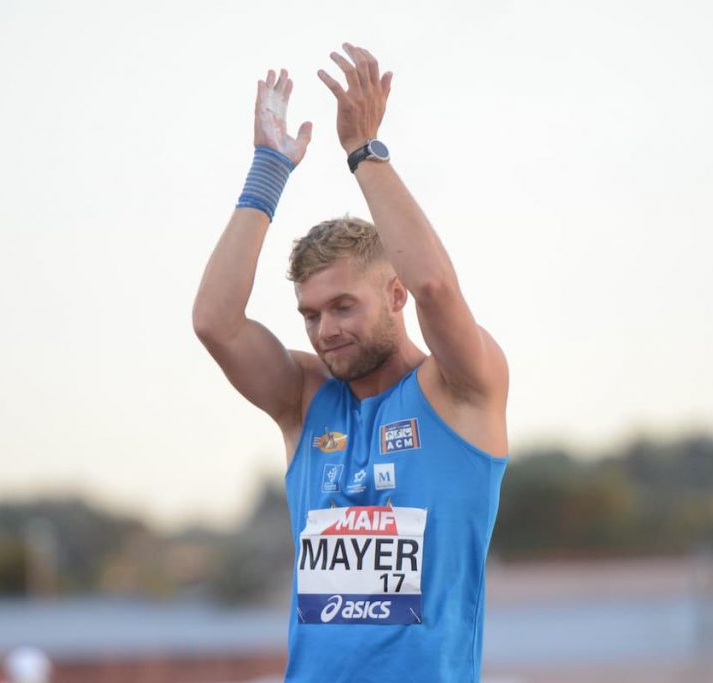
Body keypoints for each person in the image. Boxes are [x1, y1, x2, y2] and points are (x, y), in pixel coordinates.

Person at [193, 43, 510, 683]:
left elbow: (438, 290)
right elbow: (214, 323)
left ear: (394, 295)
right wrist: (268, 169)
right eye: (310, 315)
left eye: (342, 307)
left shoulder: (459, 389)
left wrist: (364, 151)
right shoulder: (305, 398)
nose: (325, 331)